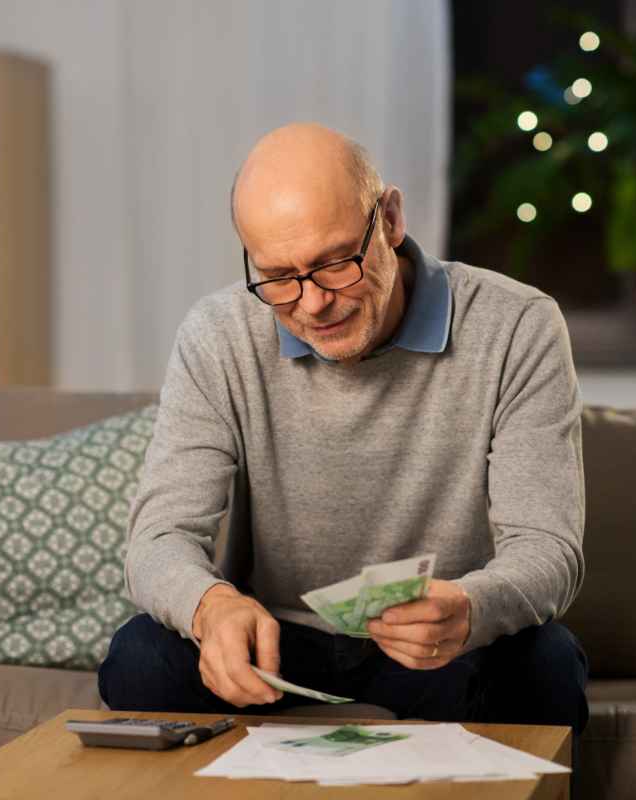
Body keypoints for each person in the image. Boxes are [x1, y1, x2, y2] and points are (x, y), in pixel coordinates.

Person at [99, 123, 588, 764]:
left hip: (437, 645)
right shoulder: (217, 336)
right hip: (274, 644)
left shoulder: (517, 325)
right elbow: (157, 540)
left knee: (546, 664)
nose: (312, 304)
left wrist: (471, 607)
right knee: (138, 659)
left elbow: (549, 548)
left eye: (334, 264)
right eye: (277, 276)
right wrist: (212, 608)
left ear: (388, 218)